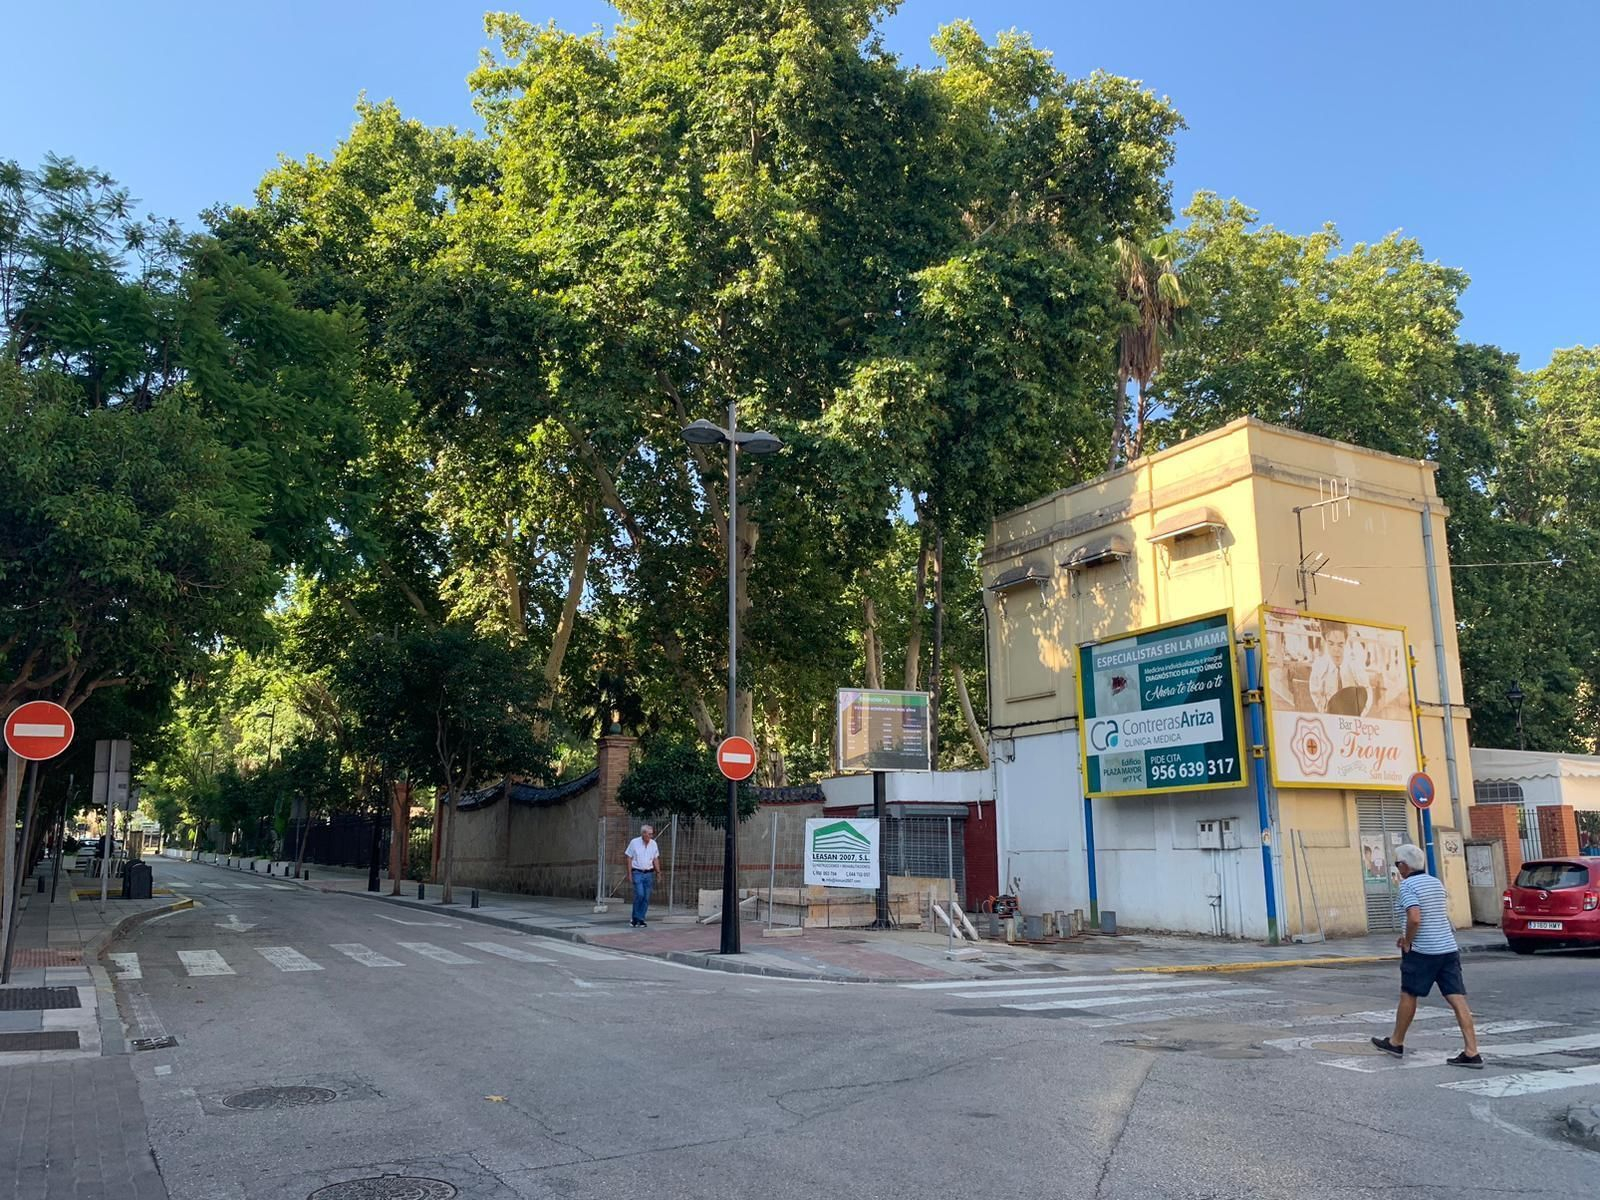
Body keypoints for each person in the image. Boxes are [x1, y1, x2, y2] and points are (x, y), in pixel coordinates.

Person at [1371, 844, 1482, 1068]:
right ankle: (1472, 1051)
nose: (1397, 868)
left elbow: (1415, 917)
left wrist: (1408, 941)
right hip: (1447, 948)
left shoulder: (1407, 886)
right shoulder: (1435, 882)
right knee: (1457, 997)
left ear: (1404, 865)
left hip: (1423, 951)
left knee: (1409, 994)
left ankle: (1396, 1041)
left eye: (1397, 864)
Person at [1308, 621, 1371, 716]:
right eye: (1331, 644)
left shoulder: (1355, 664)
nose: (1336, 649)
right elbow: (1316, 695)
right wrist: (1327, 715)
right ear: (1324, 640)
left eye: (1340, 644)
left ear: (1346, 641)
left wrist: (1360, 716)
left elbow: (1367, 693)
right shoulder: (1319, 666)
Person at [624, 824, 660, 928]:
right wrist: (629, 873)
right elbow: (629, 857)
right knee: (639, 894)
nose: (651, 836)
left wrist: (658, 872)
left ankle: (641, 919)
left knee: (646, 897)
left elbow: (655, 858)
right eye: (649, 834)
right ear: (643, 834)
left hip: (648, 873)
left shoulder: (653, 844)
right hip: (637, 872)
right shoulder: (634, 842)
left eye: (651, 834)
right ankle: (635, 917)